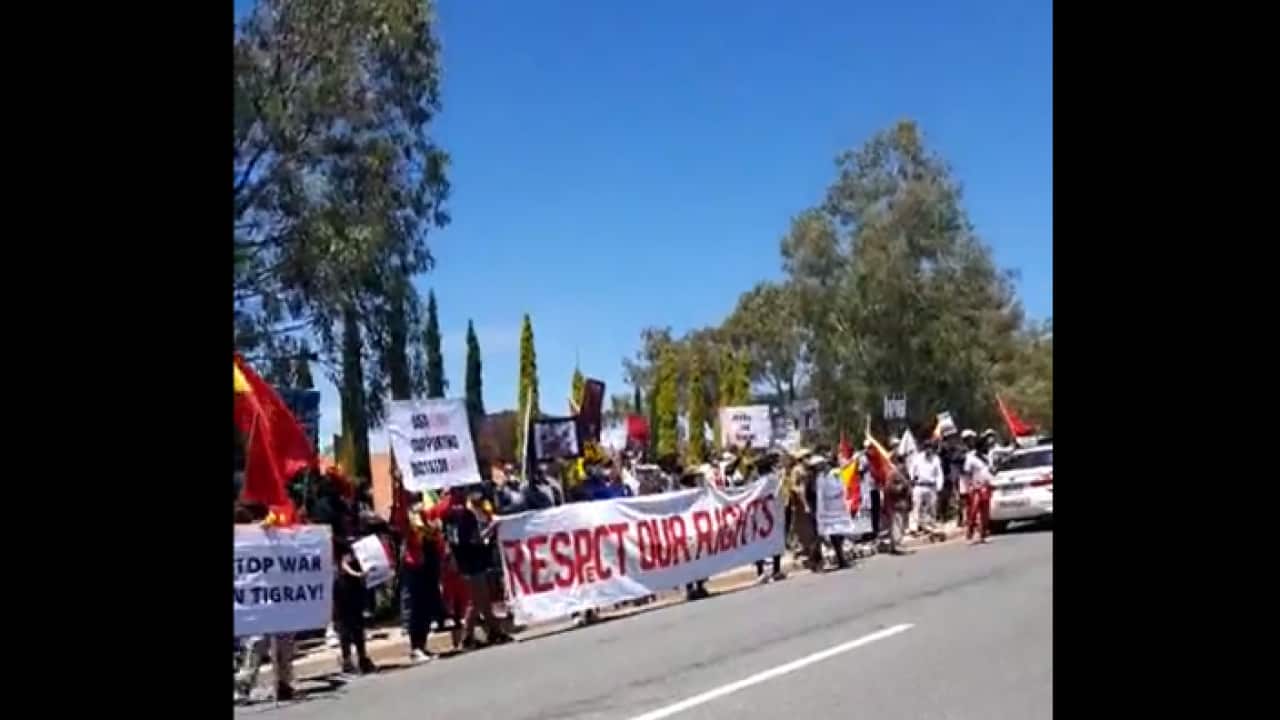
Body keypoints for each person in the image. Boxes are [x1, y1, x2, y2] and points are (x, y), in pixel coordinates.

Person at [443, 486, 511, 647]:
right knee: (476, 601)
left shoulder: (450, 515)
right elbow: (474, 539)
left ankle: (495, 632)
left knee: (483, 600)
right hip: (471, 560)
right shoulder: (464, 515)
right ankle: (466, 638)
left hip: (464, 561)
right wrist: (491, 529)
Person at [395, 484, 446, 664]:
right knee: (416, 606)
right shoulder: (406, 515)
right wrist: (398, 484)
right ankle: (415, 647)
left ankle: (422, 645)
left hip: (429, 560)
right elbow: (400, 516)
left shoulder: (426, 513)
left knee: (426, 604)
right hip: (414, 563)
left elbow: (437, 521)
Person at [334, 535, 377, 675]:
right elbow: (342, 562)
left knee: (357, 623)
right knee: (344, 625)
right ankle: (347, 660)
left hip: (355, 585)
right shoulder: (335, 539)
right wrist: (357, 574)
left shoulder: (355, 534)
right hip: (342, 585)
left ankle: (362, 657)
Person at [964, 432, 995, 543]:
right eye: (983, 446)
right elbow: (967, 473)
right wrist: (968, 487)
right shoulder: (970, 458)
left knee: (985, 513)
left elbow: (990, 471)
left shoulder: (986, 458)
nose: (985, 448)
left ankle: (983, 534)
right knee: (973, 511)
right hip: (975, 487)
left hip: (986, 486)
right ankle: (969, 535)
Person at [911, 442, 944, 533]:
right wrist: (912, 479)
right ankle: (914, 527)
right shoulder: (918, 458)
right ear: (924, 448)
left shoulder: (936, 459)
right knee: (916, 506)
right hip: (919, 485)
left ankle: (930, 524)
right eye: (926, 448)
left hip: (931, 486)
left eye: (930, 448)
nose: (928, 450)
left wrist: (939, 486)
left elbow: (939, 474)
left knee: (932, 506)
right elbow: (912, 470)